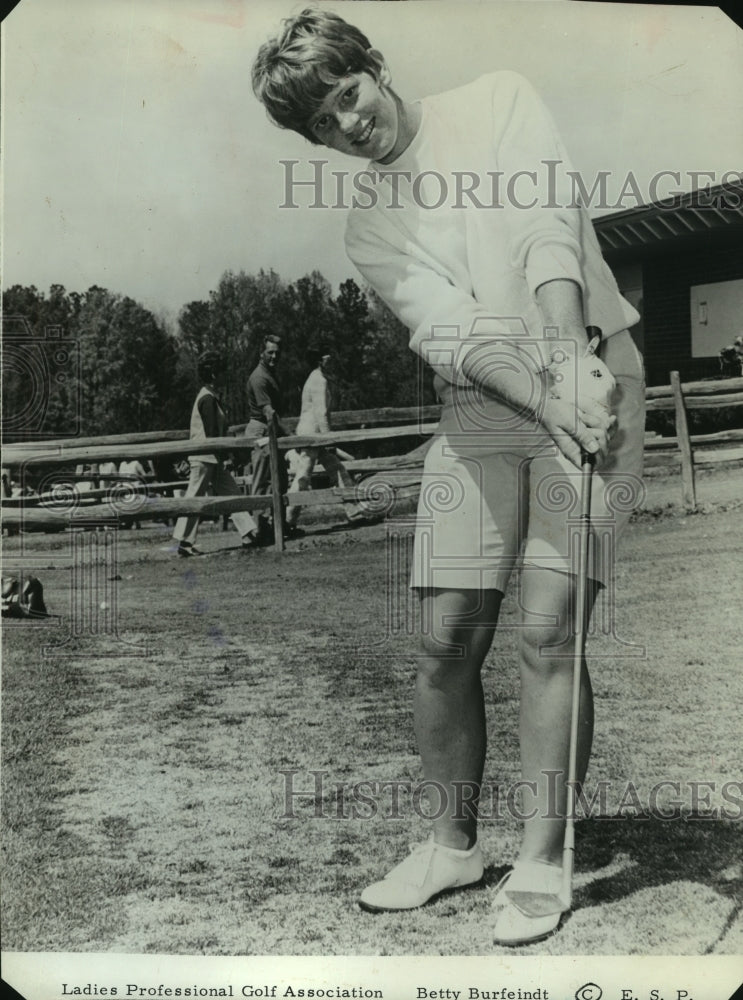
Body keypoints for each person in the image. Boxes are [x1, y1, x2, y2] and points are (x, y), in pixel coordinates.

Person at [252, 9, 646, 944]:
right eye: (322, 125)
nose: (347, 125)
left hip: (591, 370)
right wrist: (533, 390)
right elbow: (454, 330)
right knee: (444, 637)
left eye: (346, 95)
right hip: (482, 404)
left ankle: (543, 859)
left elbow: (547, 233)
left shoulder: (498, 101)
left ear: (373, 69)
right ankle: (452, 844)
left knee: (550, 629)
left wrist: (567, 368)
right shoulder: (367, 227)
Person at [173, 350, 259, 557]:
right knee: (194, 497)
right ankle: (184, 541)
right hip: (204, 457)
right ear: (213, 374)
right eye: (220, 371)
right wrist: (228, 456)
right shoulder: (207, 399)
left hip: (212, 458)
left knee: (232, 493)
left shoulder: (211, 397)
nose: (224, 375)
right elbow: (212, 434)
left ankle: (249, 533)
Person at [286, 345, 363, 528]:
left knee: (337, 469)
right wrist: (329, 439)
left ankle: (354, 511)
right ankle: (287, 520)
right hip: (313, 433)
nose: (331, 361)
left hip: (314, 432)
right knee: (303, 476)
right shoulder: (319, 380)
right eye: (327, 358)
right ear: (320, 360)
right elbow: (321, 413)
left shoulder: (317, 378)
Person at [245, 334, 296, 539]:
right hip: (262, 431)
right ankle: (258, 530)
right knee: (261, 482)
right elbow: (269, 412)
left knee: (280, 481)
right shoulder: (259, 377)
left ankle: (279, 527)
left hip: (272, 431)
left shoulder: (270, 374)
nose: (274, 356)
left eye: (277, 353)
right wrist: (291, 435)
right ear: (261, 353)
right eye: (270, 352)